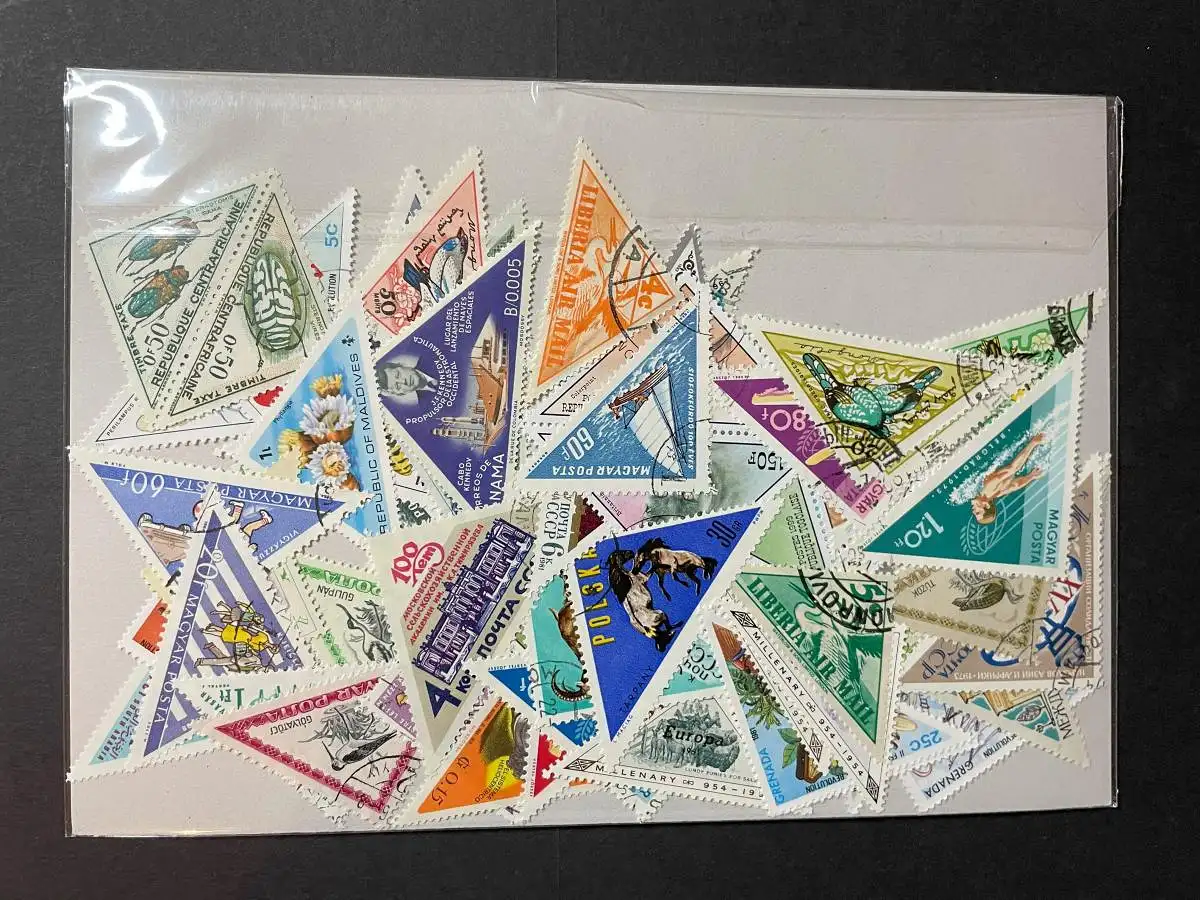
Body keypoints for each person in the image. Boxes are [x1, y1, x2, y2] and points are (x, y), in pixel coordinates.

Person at [970, 433, 1046, 525]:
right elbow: (1012, 469)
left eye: (975, 513)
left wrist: (1031, 477)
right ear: (986, 505)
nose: (973, 511)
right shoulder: (988, 489)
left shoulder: (997, 494)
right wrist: (1033, 443)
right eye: (978, 512)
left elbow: (1016, 485)